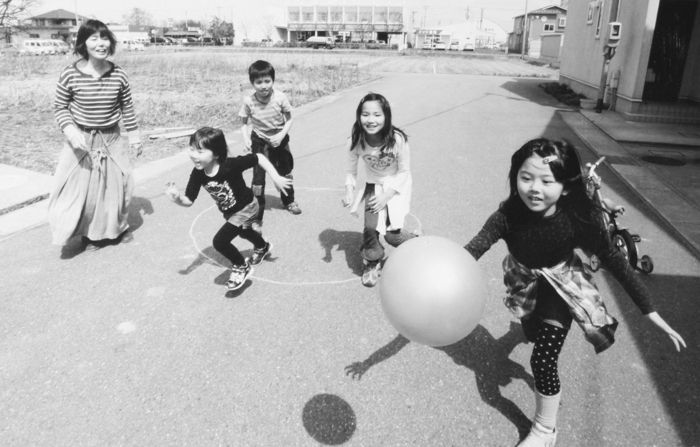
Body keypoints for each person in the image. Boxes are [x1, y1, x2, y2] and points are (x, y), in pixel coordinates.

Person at [464, 138, 686, 447]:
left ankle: (544, 430)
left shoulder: (577, 218)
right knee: (530, 330)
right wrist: (444, 268)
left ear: (566, 187)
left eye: (547, 180)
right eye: (526, 177)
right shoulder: (508, 214)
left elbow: (614, 261)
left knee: (542, 359)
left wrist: (650, 311)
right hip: (523, 280)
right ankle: (524, 331)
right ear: (515, 177)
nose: (534, 188)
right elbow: (478, 244)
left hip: (562, 286)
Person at [48, 19, 143, 249]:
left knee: (119, 185)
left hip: (111, 138)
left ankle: (115, 229)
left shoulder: (118, 74)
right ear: (83, 43)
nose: (100, 43)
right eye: (94, 38)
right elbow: (60, 107)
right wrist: (70, 130)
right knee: (80, 189)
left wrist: (134, 135)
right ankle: (84, 231)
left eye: (104, 38)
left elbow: (126, 107)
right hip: (81, 140)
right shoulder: (70, 74)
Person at [166, 127, 291, 291]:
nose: (194, 154)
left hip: (247, 206)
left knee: (220, 241)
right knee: (243, 231)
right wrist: (177, 199)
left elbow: (259, 157)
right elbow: (188, 200)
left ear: (216, 154)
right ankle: (263, 246)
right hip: (230, 211)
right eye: (191, 149)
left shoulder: (230, 165)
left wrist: (276, 177)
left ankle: (241, 266)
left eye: (200, 151)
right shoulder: (198, 173)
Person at [343, 93, 417, 287]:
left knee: (393, 235)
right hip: (372, 185)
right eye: (365, 114)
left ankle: (414, 242)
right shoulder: (356, 139)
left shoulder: (397, 139)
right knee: (370, 227)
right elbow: (351, 169)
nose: (371, 120)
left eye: (377, 114)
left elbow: (404, 171)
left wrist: (388, 194)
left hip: (395, 186)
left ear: (386, 116)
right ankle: (372, 261)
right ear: (359, 116)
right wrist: (349, 190)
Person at [239, 59, 301, 233]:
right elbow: (244, 122)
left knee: (285, 172)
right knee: (258, 180)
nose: (264, 86)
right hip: (259, 141)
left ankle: (289, 201)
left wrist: (281, 136)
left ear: (273, 80)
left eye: (267, 81)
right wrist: (246, 139)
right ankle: (257, 216)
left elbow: (289, 118)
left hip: (280, 139)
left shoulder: (280, 97)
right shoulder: (248, 101)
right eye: (259, 82)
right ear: (253, 83)